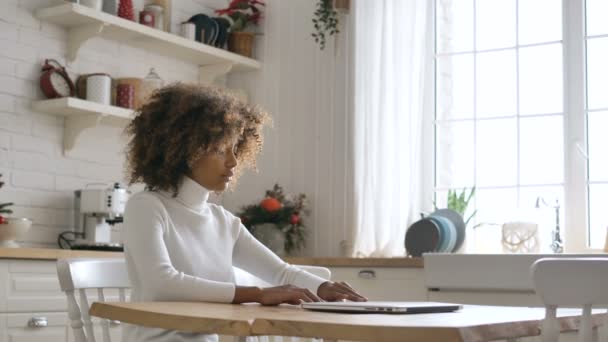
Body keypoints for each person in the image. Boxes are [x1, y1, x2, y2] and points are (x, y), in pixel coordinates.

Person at [122, 83, 366, 342]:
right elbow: (161, 283)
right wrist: (258, 294)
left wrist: (323, 287)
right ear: (182, 151)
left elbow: (281, 273)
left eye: (235, 148)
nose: (233, 162)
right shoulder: (146, 207)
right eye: (219, 150)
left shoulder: (224, 222)